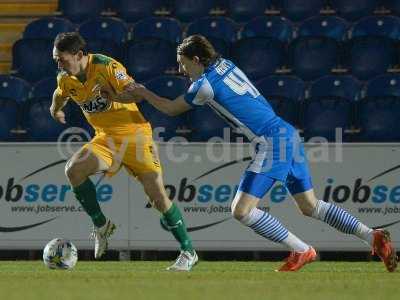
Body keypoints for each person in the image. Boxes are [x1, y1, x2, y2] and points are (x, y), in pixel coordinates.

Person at [111, 34, 397, 272]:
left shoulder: (204, 86)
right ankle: (371, 235)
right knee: (310, 206)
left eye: (183, 64)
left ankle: (303, 250)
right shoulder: (226, 64)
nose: (181, 70)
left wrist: (143, 92)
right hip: (287, 133)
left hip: (271, 141)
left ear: (197, 60)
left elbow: (171, 109)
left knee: (241, 210)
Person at [50, 32, 198, 271]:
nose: (59, 64)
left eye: (62, 59)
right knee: (74, 170)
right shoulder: (65, 79)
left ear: (79, 55)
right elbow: (60, 95)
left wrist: (117, 95)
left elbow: (135, 91)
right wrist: (55, 110)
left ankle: (188, 251)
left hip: (135, 137)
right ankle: (101, 225)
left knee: (158, 198)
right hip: (105, 140)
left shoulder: (107, 66)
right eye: (56, 59)